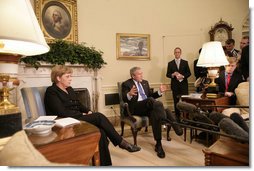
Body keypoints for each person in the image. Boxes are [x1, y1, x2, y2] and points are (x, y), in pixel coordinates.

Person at [44, 65, 140, 166]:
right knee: (98, 116)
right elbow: (61, 112)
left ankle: (105, 165)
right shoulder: (51, 91)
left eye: (70, 76)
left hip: (77, 118)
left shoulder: (69, 89)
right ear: (58, 78)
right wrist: (82, 114)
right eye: (67, 76)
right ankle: (122, 143)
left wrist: (88, 111)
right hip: (65, 122)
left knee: (101, 132)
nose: (70, 79)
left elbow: (79, 104)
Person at [121, 66, 183, 159]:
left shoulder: (145, 83)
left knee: (156, 113)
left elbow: (151, 96)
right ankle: (171, 121)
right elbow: (124, 98)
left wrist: (159, 92)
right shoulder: (126, 84)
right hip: (135, 108)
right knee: (156, 104)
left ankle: (158, 145)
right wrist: (129, 94)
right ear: (133, 76)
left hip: (148, 106)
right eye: (139, 74)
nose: (142, 75)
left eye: (142, 73)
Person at [166, 47, 191, 120]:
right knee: (176, 101)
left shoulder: (185, 62)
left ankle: (186, 117)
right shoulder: (170, 63)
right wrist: (172, 75)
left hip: (184, 85)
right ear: (174, 53)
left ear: (180, 53)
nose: (177, 53)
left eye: (178, 52)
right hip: (175, 85)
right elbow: (167, 74)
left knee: (185, 101)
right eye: (176, 52)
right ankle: (177, 117)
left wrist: (183, 76)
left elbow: (189, 73)